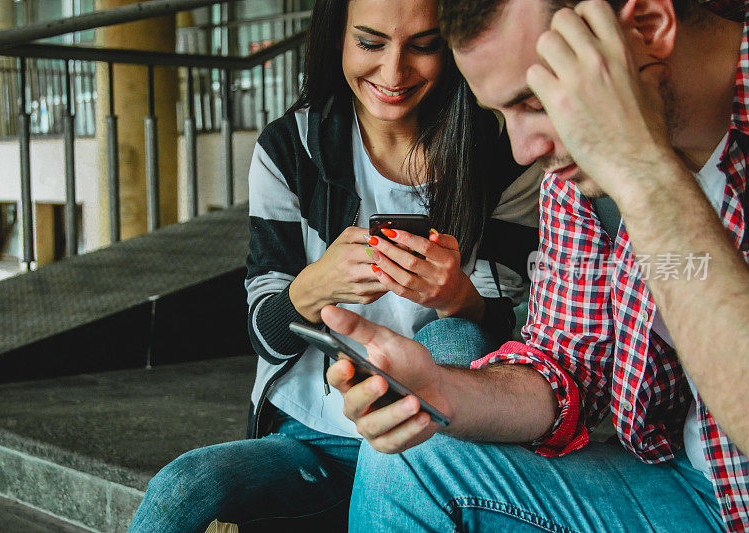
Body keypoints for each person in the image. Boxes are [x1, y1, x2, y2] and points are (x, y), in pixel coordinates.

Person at [324, 0, 749, 531]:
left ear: (647, 27)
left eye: (536, 100)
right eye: (503, 114)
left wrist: (640, 169)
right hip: (698, 484)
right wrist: (442, 392)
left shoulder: (614, 159)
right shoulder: (577, 178)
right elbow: (567, 366)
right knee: (414, 456)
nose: (524, 150)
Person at [127, 0, 539, 530]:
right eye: (370, 43)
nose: (393, 73)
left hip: (436, 444)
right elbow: (265, 334)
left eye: (423, 45)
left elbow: (527, 337)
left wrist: (458, 296)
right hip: (313, 438)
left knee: (454, 336)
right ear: (336, 38)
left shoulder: (505, 151)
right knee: (180, 489)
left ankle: (406, 492)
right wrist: (313, 288)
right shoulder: (290, 148)